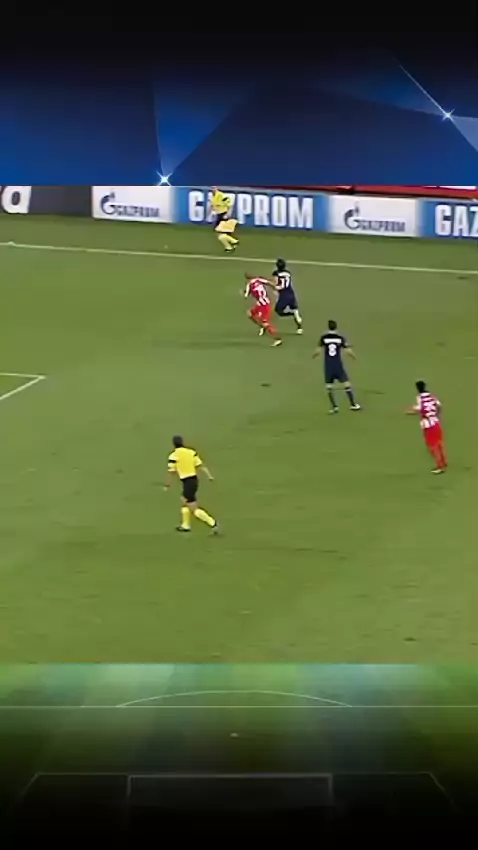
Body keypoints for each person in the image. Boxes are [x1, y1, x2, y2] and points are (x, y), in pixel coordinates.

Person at [164, 435, 219, 533]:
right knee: (185, 502)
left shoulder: (173, 456)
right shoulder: (191, 452)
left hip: (188, 482)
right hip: (193, 480)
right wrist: (209, 476)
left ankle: (212, 523)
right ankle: (185, 525)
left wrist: (167, 485)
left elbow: (171, 472)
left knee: (192, 507)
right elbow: (200, 465)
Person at [313, 320, 361, 413]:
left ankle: (334, 407)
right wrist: (354, 357)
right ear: (336, 327)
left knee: (329, 386)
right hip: (338, 365)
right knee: (346, 384)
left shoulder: (324, 338)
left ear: (328, 327)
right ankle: (353, 404)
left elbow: (318, 351)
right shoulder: (340, 338)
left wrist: (313, 356)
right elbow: (348, 351)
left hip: (328, 366)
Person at [406, 381, 447, 473]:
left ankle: (439, 467)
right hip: (436, 422)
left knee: (432, 446)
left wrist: (411, 411)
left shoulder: (419, 398)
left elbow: (420, 409)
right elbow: (439, 405)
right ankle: (444, 462)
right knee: (439, 443)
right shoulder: (431, 395)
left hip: (428, 425)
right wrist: (437, 415)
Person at [244, 274, 282, 347]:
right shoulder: (258, 280)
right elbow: (269, 283)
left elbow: (246, 296)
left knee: (265, 323)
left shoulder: (249, 285)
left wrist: (243, 293)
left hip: (263, 305)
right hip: (261, 303)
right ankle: (262, 326)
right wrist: (275, 288)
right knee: (250, 314)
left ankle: (277, 339)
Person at [270, 259, 303, 334]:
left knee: (279, 310)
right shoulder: (288, 273)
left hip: (284, 295)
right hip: (291, 293)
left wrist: (273, 287)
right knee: (294, 308)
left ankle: (292, 313)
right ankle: (299, 328)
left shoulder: (276, 273)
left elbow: (277, 284)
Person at [206, 187, 239, 253]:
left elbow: (229, 205)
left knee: (219, 232)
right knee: (220, 232)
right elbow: (211, 206)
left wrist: (227, 214)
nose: (213, 189)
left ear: (217, 188)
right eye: (212, 188)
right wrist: (208, 215)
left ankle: (233, 242)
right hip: (218, 215)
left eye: (214, 188)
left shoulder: (221, 195)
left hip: (223, 215)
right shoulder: (211, 196)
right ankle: (229, 246)